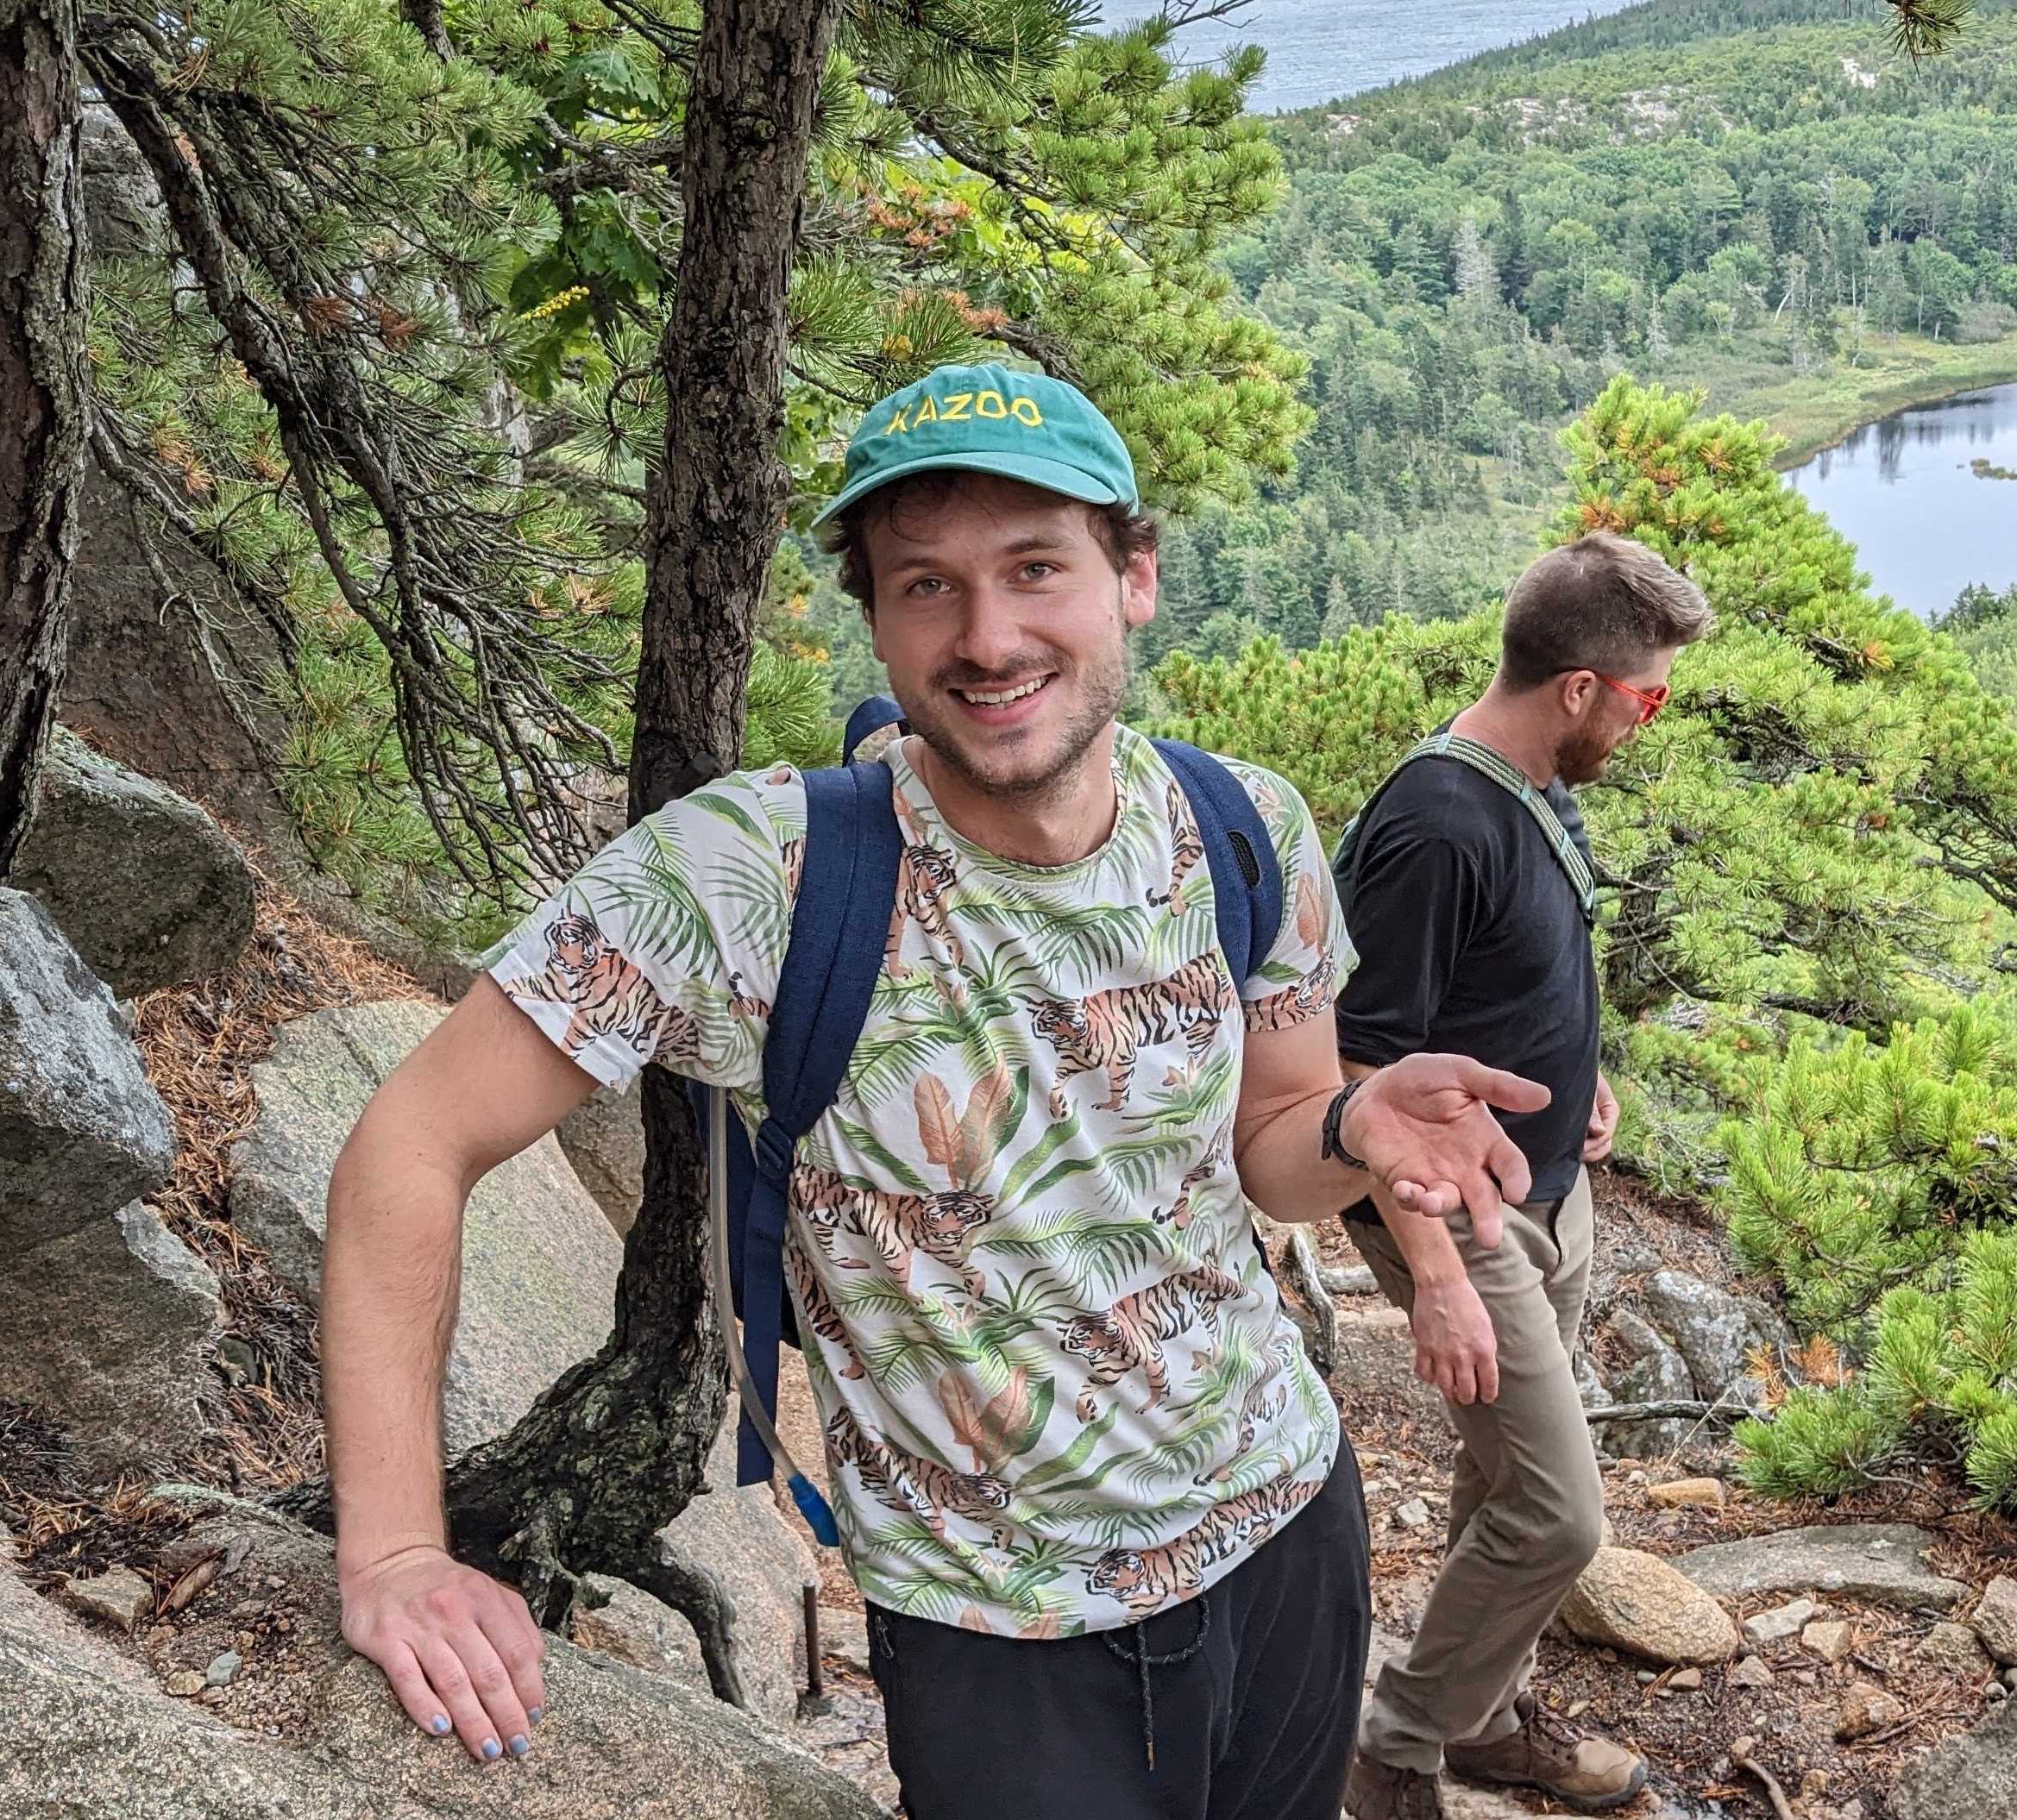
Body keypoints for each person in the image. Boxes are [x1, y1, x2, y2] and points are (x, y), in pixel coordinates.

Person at [318, 361, 1558, 1819]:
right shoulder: (751, 877)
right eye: (926, 586)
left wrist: (1350, 1126)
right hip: (998, 1631)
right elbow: (411, 1137)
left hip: (1286, 1526)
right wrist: (396, 1551)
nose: (987, 637)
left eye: (1038, 569)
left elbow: (1270, 1148)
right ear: (879, 614)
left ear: (1134, 577)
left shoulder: (1245, 826)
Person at [1331, 531, 1715, 1820]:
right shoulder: (1437, 821)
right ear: (1579, 688)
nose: (1649, 722)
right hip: (1464, 1216)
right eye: (1648, 697)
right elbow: (1358, 1064)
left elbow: (1502, 978)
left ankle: (1485, 1719)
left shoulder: (1536, 787)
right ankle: (1395, 1749)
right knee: (1557, 1516)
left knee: (1496, 1482)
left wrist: (1581, 1066)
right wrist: (1432, 1274)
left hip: (1552, 1193)